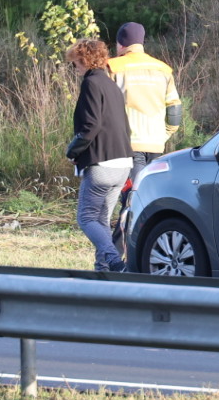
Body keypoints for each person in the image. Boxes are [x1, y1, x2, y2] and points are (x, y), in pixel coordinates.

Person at [66, 38, 132, 272]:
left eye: (74, 64)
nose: (75, 69)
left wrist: (73, 151)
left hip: (102, 164)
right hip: (123, 163)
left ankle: (113, 262)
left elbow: (90, 126)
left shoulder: (91, 83)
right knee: (101, 219)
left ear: (84, 60)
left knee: (86, 218)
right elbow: (125, 126)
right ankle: (102, 268)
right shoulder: (112, 85)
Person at [108, 22, 183, 193]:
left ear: (121, 44)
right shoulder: (163, 69)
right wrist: (166, 133)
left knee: (133, 194)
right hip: (157, 144)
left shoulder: (113, 67)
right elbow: (175, 107)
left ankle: (126, 220)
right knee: (150, 194)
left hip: (127, 144)